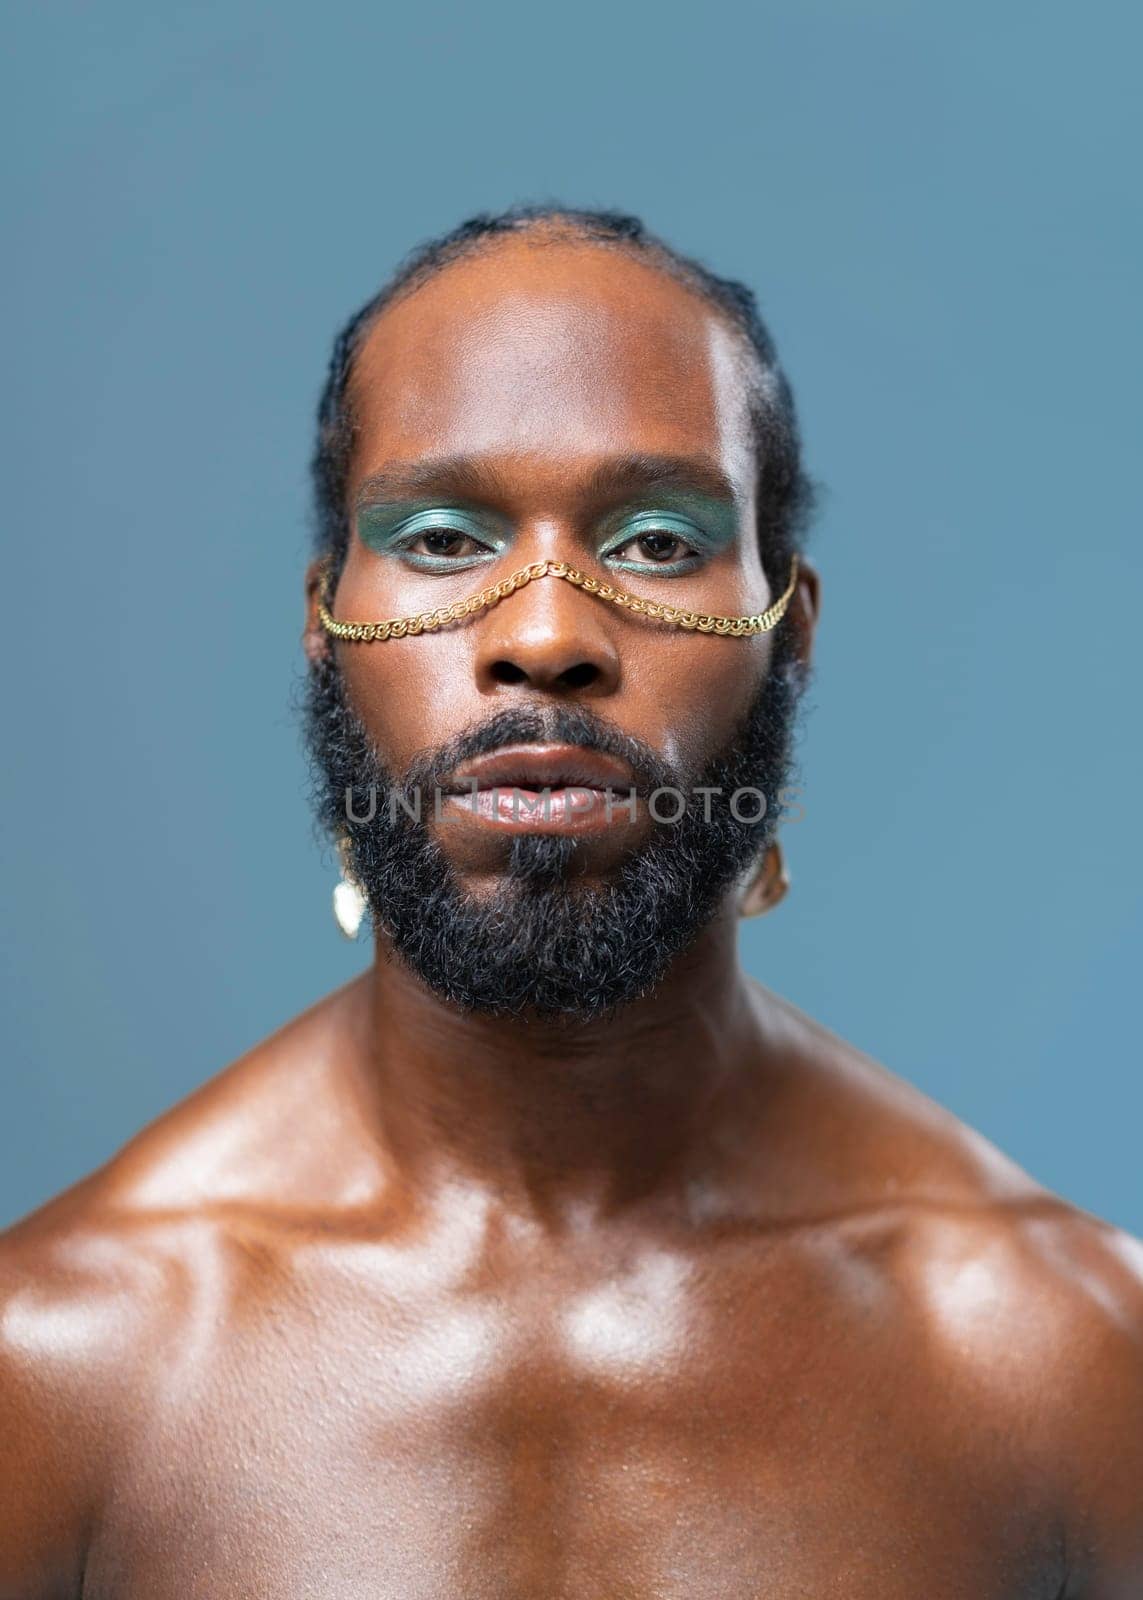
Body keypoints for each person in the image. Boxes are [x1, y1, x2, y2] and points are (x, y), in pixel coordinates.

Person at [2, 205, 1140, 1598]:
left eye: (659, 541)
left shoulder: (1071, 1359)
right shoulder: (56, 1361)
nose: (544, 635)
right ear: (324, 619)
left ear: (791, 634)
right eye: (439, 536)